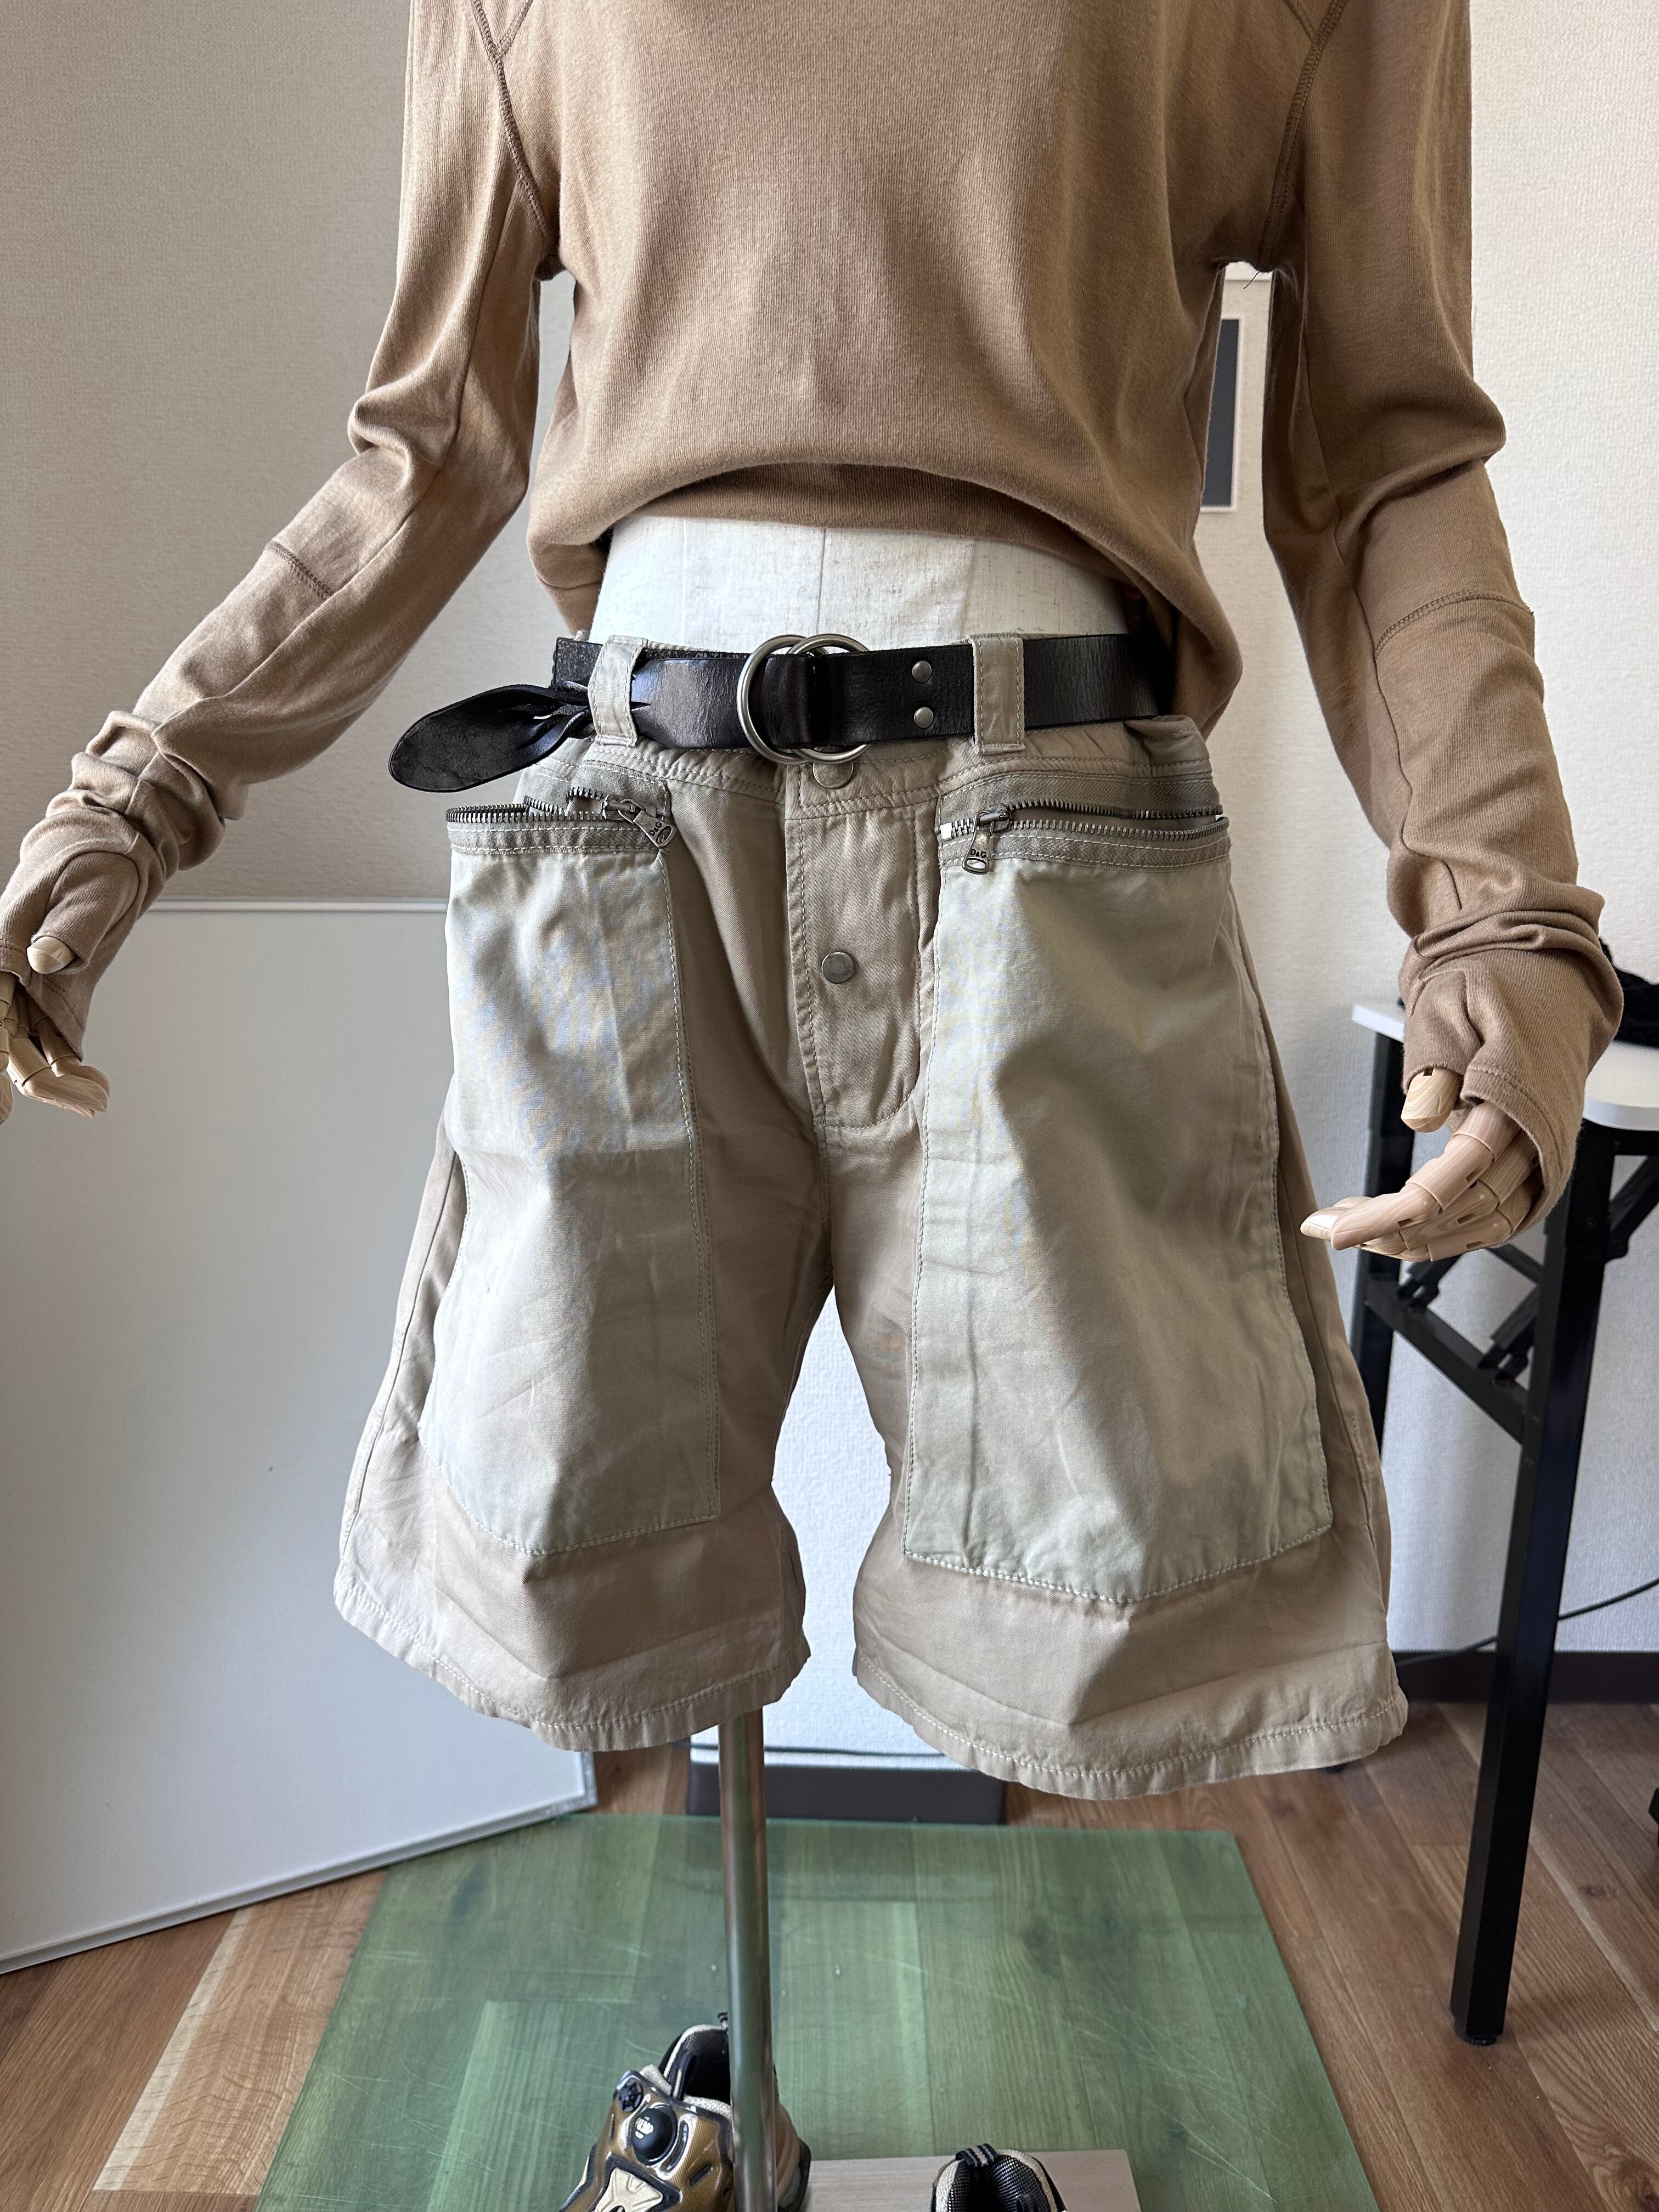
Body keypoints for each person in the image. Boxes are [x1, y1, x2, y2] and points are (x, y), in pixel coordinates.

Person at [0, 0, 1620, 1795]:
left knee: (1082, 1593)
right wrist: (138, 789)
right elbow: (429, 448)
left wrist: (1504, 919)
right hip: (636, 848)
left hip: (1051, 850)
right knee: (580, 1535)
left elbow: (1385, 459)